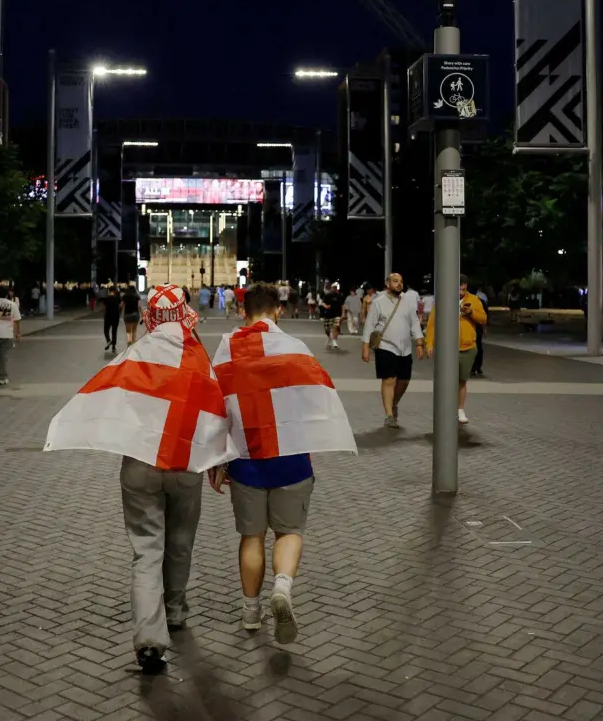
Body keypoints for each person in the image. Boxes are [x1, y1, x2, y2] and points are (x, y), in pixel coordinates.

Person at [45, 284, 235, 675]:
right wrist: (221, 460)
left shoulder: (134, 355)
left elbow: (107, 397)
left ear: (149, 316)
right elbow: (217, 411)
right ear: (185, 314)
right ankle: (177, 611)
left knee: (146, 551)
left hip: (141, 466)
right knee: (180, 543)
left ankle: (149, 638)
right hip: (185, 465)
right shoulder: (197, 357)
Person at [208, 283, 356, 645]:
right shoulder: (295, 347)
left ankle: (250, 611)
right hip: (291, 457)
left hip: (246, 459)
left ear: (244, 311)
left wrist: (215, 458)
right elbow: (318, 395)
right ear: (278, 311)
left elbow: (215, 403)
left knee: (251, 536)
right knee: (289, 532)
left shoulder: (226, 348)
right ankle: (284, 587)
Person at [360, 273, 424, 428]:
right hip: (385, 346)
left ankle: (394, 403)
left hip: (405, 348)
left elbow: (414, 322)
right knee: (389, 380)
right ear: (388, 284)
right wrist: (365, 347)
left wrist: (419, 342)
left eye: (401, 281)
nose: (399, 284)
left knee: (404, 381)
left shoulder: (408, 302)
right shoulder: (378, 302)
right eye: (395, 281)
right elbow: (369, 324)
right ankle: (389, 414)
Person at [425, 274, 487, 424]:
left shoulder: (473, 300)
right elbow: (432, 324)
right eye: (459, 288)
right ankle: (444, 410)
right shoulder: (443, 300)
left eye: (463, 288)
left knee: (461, 381)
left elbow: (483, 319)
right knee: (446, 381)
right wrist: (429, 343)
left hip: (467, 347)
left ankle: (459, 410)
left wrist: (470, 312)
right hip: (446, 349)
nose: (461, 291)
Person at [471, 286, 490, 377]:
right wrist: (485, 328)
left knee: (477, 348)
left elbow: (484, 317)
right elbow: (485, 317)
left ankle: (475, 367)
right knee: (478, 348)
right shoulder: (481, 301)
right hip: (477, 328)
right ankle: (476, 368)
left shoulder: (477, 302)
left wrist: (484, 328)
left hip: (476, 328)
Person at [319, 283, 344, 349]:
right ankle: (330, 337)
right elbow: (323, 303)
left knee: (335, 327)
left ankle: (334, 341)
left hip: (336, 314)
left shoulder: (339, 296)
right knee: (327, 330)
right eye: (334, 287)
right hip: (328, 314)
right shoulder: (327, 295)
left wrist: (343, 313)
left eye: (336, 287)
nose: (335, 289)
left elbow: (342, 305)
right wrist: (326, 306)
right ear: (331, 288)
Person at [102, 285, 122, 353]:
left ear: (109, 291)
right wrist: (119, 314)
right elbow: (120, 307)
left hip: (108, 316)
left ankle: (109, 341)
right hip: (116, 316)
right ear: (115, 291)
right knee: (114, 331)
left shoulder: (106, 298)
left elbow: (104, 308)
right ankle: (113, 347)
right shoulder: (118, 298)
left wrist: (104, 315)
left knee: (106, 330)